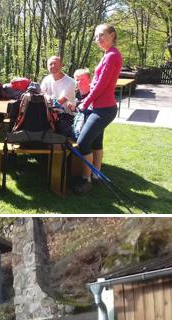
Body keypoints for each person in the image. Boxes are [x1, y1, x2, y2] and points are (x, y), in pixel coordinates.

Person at [73, 24, 122, 194]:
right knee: (96, 142)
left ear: (112, 35)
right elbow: (99, 82)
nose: (98, 39)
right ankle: (96, 176)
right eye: (96, 36)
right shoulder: (108, 55)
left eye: (101, 35)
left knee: (83, 142)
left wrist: (84, 103)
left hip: (104, 109)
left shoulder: (112, 56)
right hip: (101, 107)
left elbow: (101, 85)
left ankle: (86, 180)